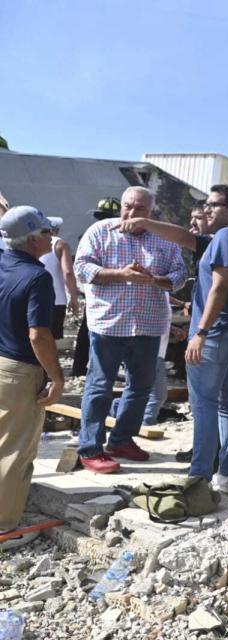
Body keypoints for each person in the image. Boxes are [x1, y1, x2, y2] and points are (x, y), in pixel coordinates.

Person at [118, 185, 228, 492]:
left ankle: (199, 477)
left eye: (214, 205)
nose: (207, 210)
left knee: (204, 405)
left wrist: (200, 332)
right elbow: (183, 237)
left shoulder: (225, 237)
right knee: (225, 403)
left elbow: (220, 288)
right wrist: (145, 223)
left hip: (216, 334)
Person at [74, 187, 187, 474]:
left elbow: (180, 274)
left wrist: (156, 280)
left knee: (140, 388)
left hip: (148, 325)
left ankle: (122, 440)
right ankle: (90, 448)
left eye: (140, 210)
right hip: (109, 324)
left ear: (151, 213)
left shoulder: (163, 237)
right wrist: (121, 275)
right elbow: (82, 269)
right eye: (128, 207)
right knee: (100, 386)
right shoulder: (100, 231)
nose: (132, 214)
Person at [0, 207, 65, 549]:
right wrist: (56, 377)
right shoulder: (37, 277)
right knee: (14, 450)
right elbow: (39, 334)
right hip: (18, 370)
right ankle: (4, 527)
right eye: (46, 233)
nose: (50, 238)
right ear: (33, 239)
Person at [72, 197, 122, 377]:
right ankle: (88, 369)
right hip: (99, 288)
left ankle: (82, 368)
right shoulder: (92, 236)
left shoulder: (90, 235)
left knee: (90, 329)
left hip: (98, 289)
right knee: (94, 330)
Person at [39, 220, 80, 340]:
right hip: (57, 298)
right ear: (56, 230)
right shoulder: (61, 244)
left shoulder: (33, 243)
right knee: (51, 337)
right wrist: (73, 297)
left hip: (35, 296)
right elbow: (67, 272)